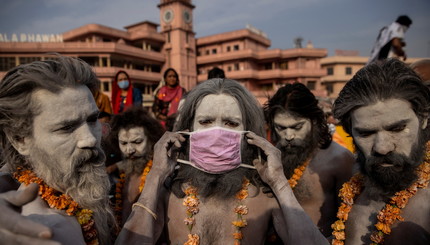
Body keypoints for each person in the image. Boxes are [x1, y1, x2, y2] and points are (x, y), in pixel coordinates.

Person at [116, 79, 328, 244]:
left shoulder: (265, 197)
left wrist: (280, 184)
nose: (217, 133)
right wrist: (155, 176)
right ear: (187, 129)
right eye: (206, 121)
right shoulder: (167, 193)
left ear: (249, 134)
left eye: (231, 123)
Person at [0, 55, 115, 244]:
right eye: (66, 128)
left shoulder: (76, 189)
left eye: (92, 120)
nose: (90, 139)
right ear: (20, 140)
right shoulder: (46, 229)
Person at [331, 58, 430, 244]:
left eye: (397, 129)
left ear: (423, 118)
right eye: (366, 133)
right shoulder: (354, 191)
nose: (382, 148)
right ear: (350, 132)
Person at [264, 83, 355, 237]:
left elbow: (350, 224)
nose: (288, 136)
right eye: (280, 128)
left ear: (314, 121)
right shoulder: (270, 157)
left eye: (297, 127)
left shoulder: (339, 159)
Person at [105, 106, 164, 228]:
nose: (129, 150)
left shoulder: (161, 175)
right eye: (124, 143)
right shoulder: (124, 174)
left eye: (137, 142)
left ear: (151, 140)